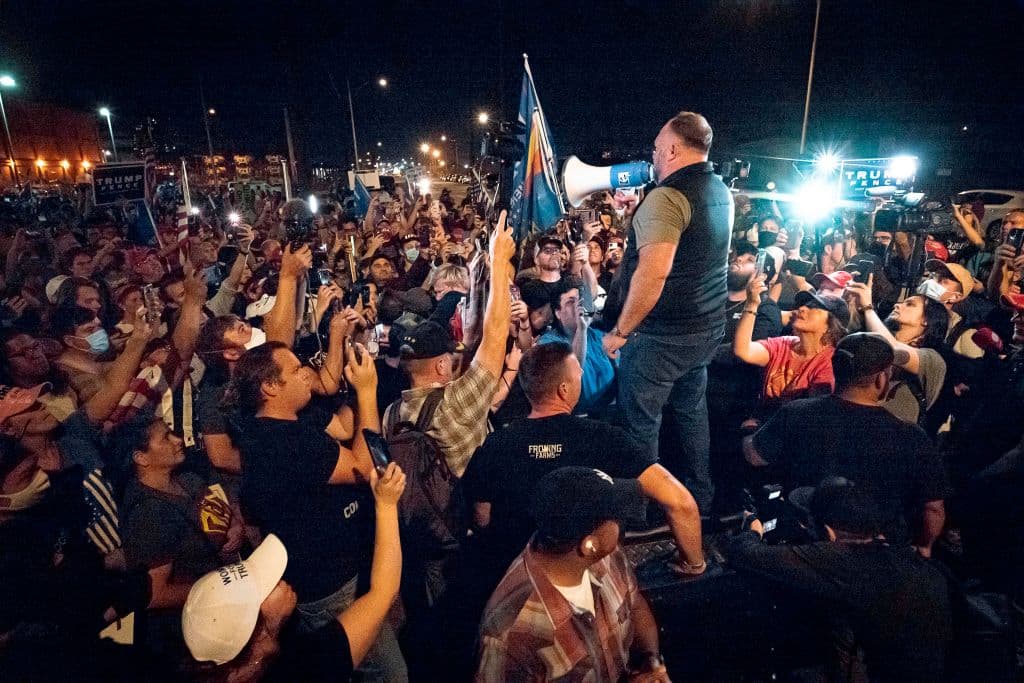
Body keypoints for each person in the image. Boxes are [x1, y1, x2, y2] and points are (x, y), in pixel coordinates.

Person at [227, 339, 406, 681]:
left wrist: (354, 389)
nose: (307, 375)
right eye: (295, 370)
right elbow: (360, 465)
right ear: (269, 386)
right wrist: (368, 393)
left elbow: (343, 427)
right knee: (389, 673)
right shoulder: (285, 442)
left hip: (328, 571)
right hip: (333, 586)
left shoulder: (274, 426)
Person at [463, 341, 705, 584]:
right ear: (564, 390)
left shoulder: (497, 443)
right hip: (585, 572)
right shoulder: (603, 438)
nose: (581, 376)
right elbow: (680, 503)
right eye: (578, 372)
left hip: (517, 573)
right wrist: (694, 564)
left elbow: (481, 518)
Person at [601, 111, 732, 512]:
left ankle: (640, 512)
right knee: (692, 412)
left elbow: (653, 274)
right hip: (706, 327)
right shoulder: (719, 189)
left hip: (663, 335)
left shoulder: (667, 197)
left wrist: (621, 331)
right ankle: (701, 495)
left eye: (657, 149)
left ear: (673, 148)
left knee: (640, 423)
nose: (653, 157)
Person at [181, 462, 406, 682]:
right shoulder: (304, 668)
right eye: (266, 585)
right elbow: (383, 592)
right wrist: (386, 504)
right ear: (254, 640)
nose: (278, 580)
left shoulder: (260, 657)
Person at [726, 479, 952, 682]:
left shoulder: (844, 561)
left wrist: (753, 529)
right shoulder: (911, 558)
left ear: (828, 532)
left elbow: (745, 555)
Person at [744, 333, 948, 554]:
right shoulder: (910, 435)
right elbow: (934, 509)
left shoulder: (796, 412)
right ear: (882, 379)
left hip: (806, 544)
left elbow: (755, 456)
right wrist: (924, 546)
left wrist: (749, 431)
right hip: (878, 550)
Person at [476, 466, 669, 683]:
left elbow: (635, 605)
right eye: (614, 517)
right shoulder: (510, 636)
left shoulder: (607, 554)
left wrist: (651, 661)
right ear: (589, 544)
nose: (621, 522)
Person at [733, 281, 849, 418]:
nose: (802, 309)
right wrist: (752, 304)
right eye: (804, 305)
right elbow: (743, 350)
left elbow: (810, 415)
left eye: (814, 308)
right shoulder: (785, 344)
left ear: (831, 326)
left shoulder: (830, 363)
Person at [846, 275, 949, 425]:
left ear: (926, 320)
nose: (897, 305)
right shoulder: (873, 342)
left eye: (910, 304)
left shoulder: (932, 360)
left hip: (892, 443)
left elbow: (892, 349)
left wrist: (868, 308)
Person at [537, 284, 616, 415]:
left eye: (580, 300)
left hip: (609, 412)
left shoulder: (600, 336)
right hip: (574, 417)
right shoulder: (547, 343)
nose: (578, 305)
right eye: (570, 302)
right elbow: (571, 374)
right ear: (557, 313)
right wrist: (581, 329)